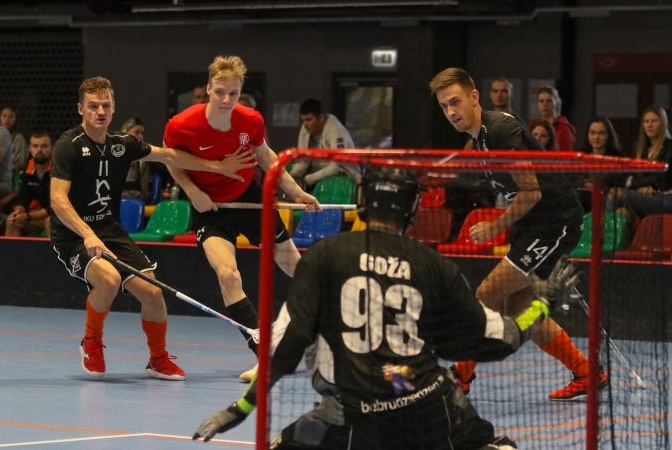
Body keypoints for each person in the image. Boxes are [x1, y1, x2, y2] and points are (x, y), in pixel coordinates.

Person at [193, 169, 581, 450]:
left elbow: (288, 347)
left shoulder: (325, 256)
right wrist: (541, 303)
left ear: (363, 202)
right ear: (412, 210)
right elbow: (499, 340)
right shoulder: (435, 267)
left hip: (347, 417)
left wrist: (239, 409)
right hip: (427, 408)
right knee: (485, 442)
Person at [50, 76, 255, 380]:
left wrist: (218, 166)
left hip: (110, 231)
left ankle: (157, 359)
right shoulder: (68, 146)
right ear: (81, 109)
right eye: (93, 106)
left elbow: (169, 155)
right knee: (108, 280)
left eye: (105, 105)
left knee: (153, 294)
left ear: (114, 107)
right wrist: (88, 235)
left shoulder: (123, 144)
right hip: (74, 236)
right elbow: (57, 200)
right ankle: (91, 340)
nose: (100, 111)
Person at [430, 68, 608, 401]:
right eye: (443, 106)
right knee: (517, 308)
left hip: (554, 221)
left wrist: (495, 225)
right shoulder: (479, 140)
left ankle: (462, 374)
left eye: (455, 101)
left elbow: (531, 192)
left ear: (474, 97)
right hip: (530, 223)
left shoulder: (500, 129)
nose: (451, 111)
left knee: (486, 293)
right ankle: (587, 372)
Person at [163, 56, 321, 381]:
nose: (226, 100)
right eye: (220, 92)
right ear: (208, 89)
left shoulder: (250, 120)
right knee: (227, 274)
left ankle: (333, 330)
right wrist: (192, 191)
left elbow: (265, 156)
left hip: (248, 199)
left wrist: (296, 192)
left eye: (233, 93)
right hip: (210, 209)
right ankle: (264, 354)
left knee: (296, 266)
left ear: (240, 93)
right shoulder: (181, 125)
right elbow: (171, 160)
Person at [607, 105, 672, 219]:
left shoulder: (671, 147)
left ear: (662, 123)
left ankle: (602, 230)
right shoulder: (641, 148)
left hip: (666, 197)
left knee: (615, 195)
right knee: (622, 212)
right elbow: (634, 174)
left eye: (654, 121)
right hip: (644, 195)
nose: (649, 125)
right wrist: (639, 188)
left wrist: (632, 182)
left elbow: (661, 177)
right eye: (646, 121)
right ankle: (611, 229)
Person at [291, 98, 357, 188]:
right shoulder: (305, 128)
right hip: (316, 176)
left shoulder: (336, 130)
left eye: (308, 119)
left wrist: (308, 179)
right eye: (303, 120)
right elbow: (303, 162)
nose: (305, 124)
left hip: (343, 179)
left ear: (321, 118)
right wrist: (292, 177)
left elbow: (337, 167)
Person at [7, 132, 53, 237]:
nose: (39, 150)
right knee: (12, 220)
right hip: (41, 214)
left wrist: (28, 216)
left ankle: (55, 249)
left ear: (51, 148)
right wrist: (18, 212)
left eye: (44, 146)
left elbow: (56, 208)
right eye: (35, 146)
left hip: (64, 216)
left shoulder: (60, 169)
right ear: (30, 148)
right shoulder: (27, 170)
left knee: (50, 221)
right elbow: (23, 199)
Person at [576, 117, 625, 212]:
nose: (596, 137)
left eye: (601, 133)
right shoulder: (580, 155)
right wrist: (584, 184)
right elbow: (572, 179)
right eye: (593, 133)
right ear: (588, 135)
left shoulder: (617, 156)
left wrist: (598, 186)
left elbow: (619, 181)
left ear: (608, 135)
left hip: (607, 197)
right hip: (583, 196)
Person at [120, 118, 152, 200]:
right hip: (116, 195)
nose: (140, 136)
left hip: (138, 196)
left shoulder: (147, 151)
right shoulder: (115, 151)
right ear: (126, 132)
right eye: (137, 132)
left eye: (142, 133)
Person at [536, 86, 576, 151]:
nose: (544, 104)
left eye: (549, 101)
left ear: (556, 104)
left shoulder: (564, 129)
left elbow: (564, 154)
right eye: (541, 101)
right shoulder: (536, 127)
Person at [0, 107, 28, 171]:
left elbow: (18, 163)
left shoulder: (18, 138)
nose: (6, 119)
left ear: (15, 120)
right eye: (4, 116)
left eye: (11, 117)